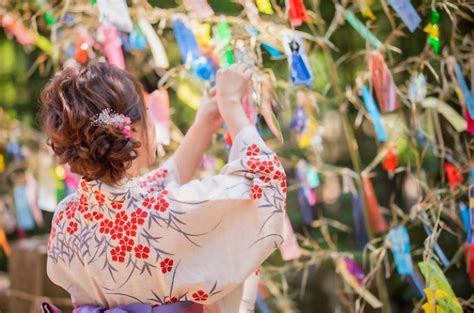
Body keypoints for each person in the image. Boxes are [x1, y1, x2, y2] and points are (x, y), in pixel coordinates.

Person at [41, 62, 287, 313]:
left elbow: (142, 198)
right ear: (133, 132)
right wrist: (232, 106)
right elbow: (265, 186)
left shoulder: (66, 218)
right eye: (147, 112)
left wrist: (203, 125)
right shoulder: (164, 214)